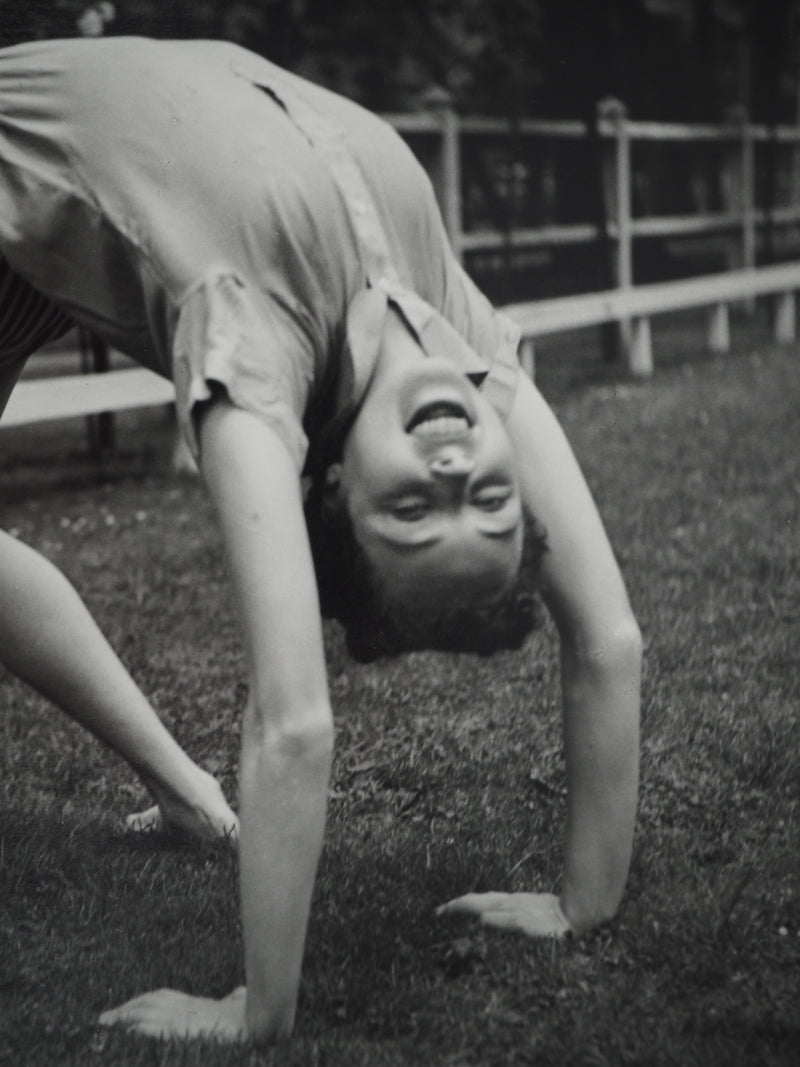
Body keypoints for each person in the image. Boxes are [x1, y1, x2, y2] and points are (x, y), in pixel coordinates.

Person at [0, 37, 642, 1044]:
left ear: (334, 486)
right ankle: (186, 797)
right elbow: (607, 637)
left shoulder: (254, 351)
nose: (452, 476)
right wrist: (585, 901)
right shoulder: (464, 345)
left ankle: (186, 797)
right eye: (488, 500)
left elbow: (293, 720)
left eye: (413, 514)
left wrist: (259, 1009)